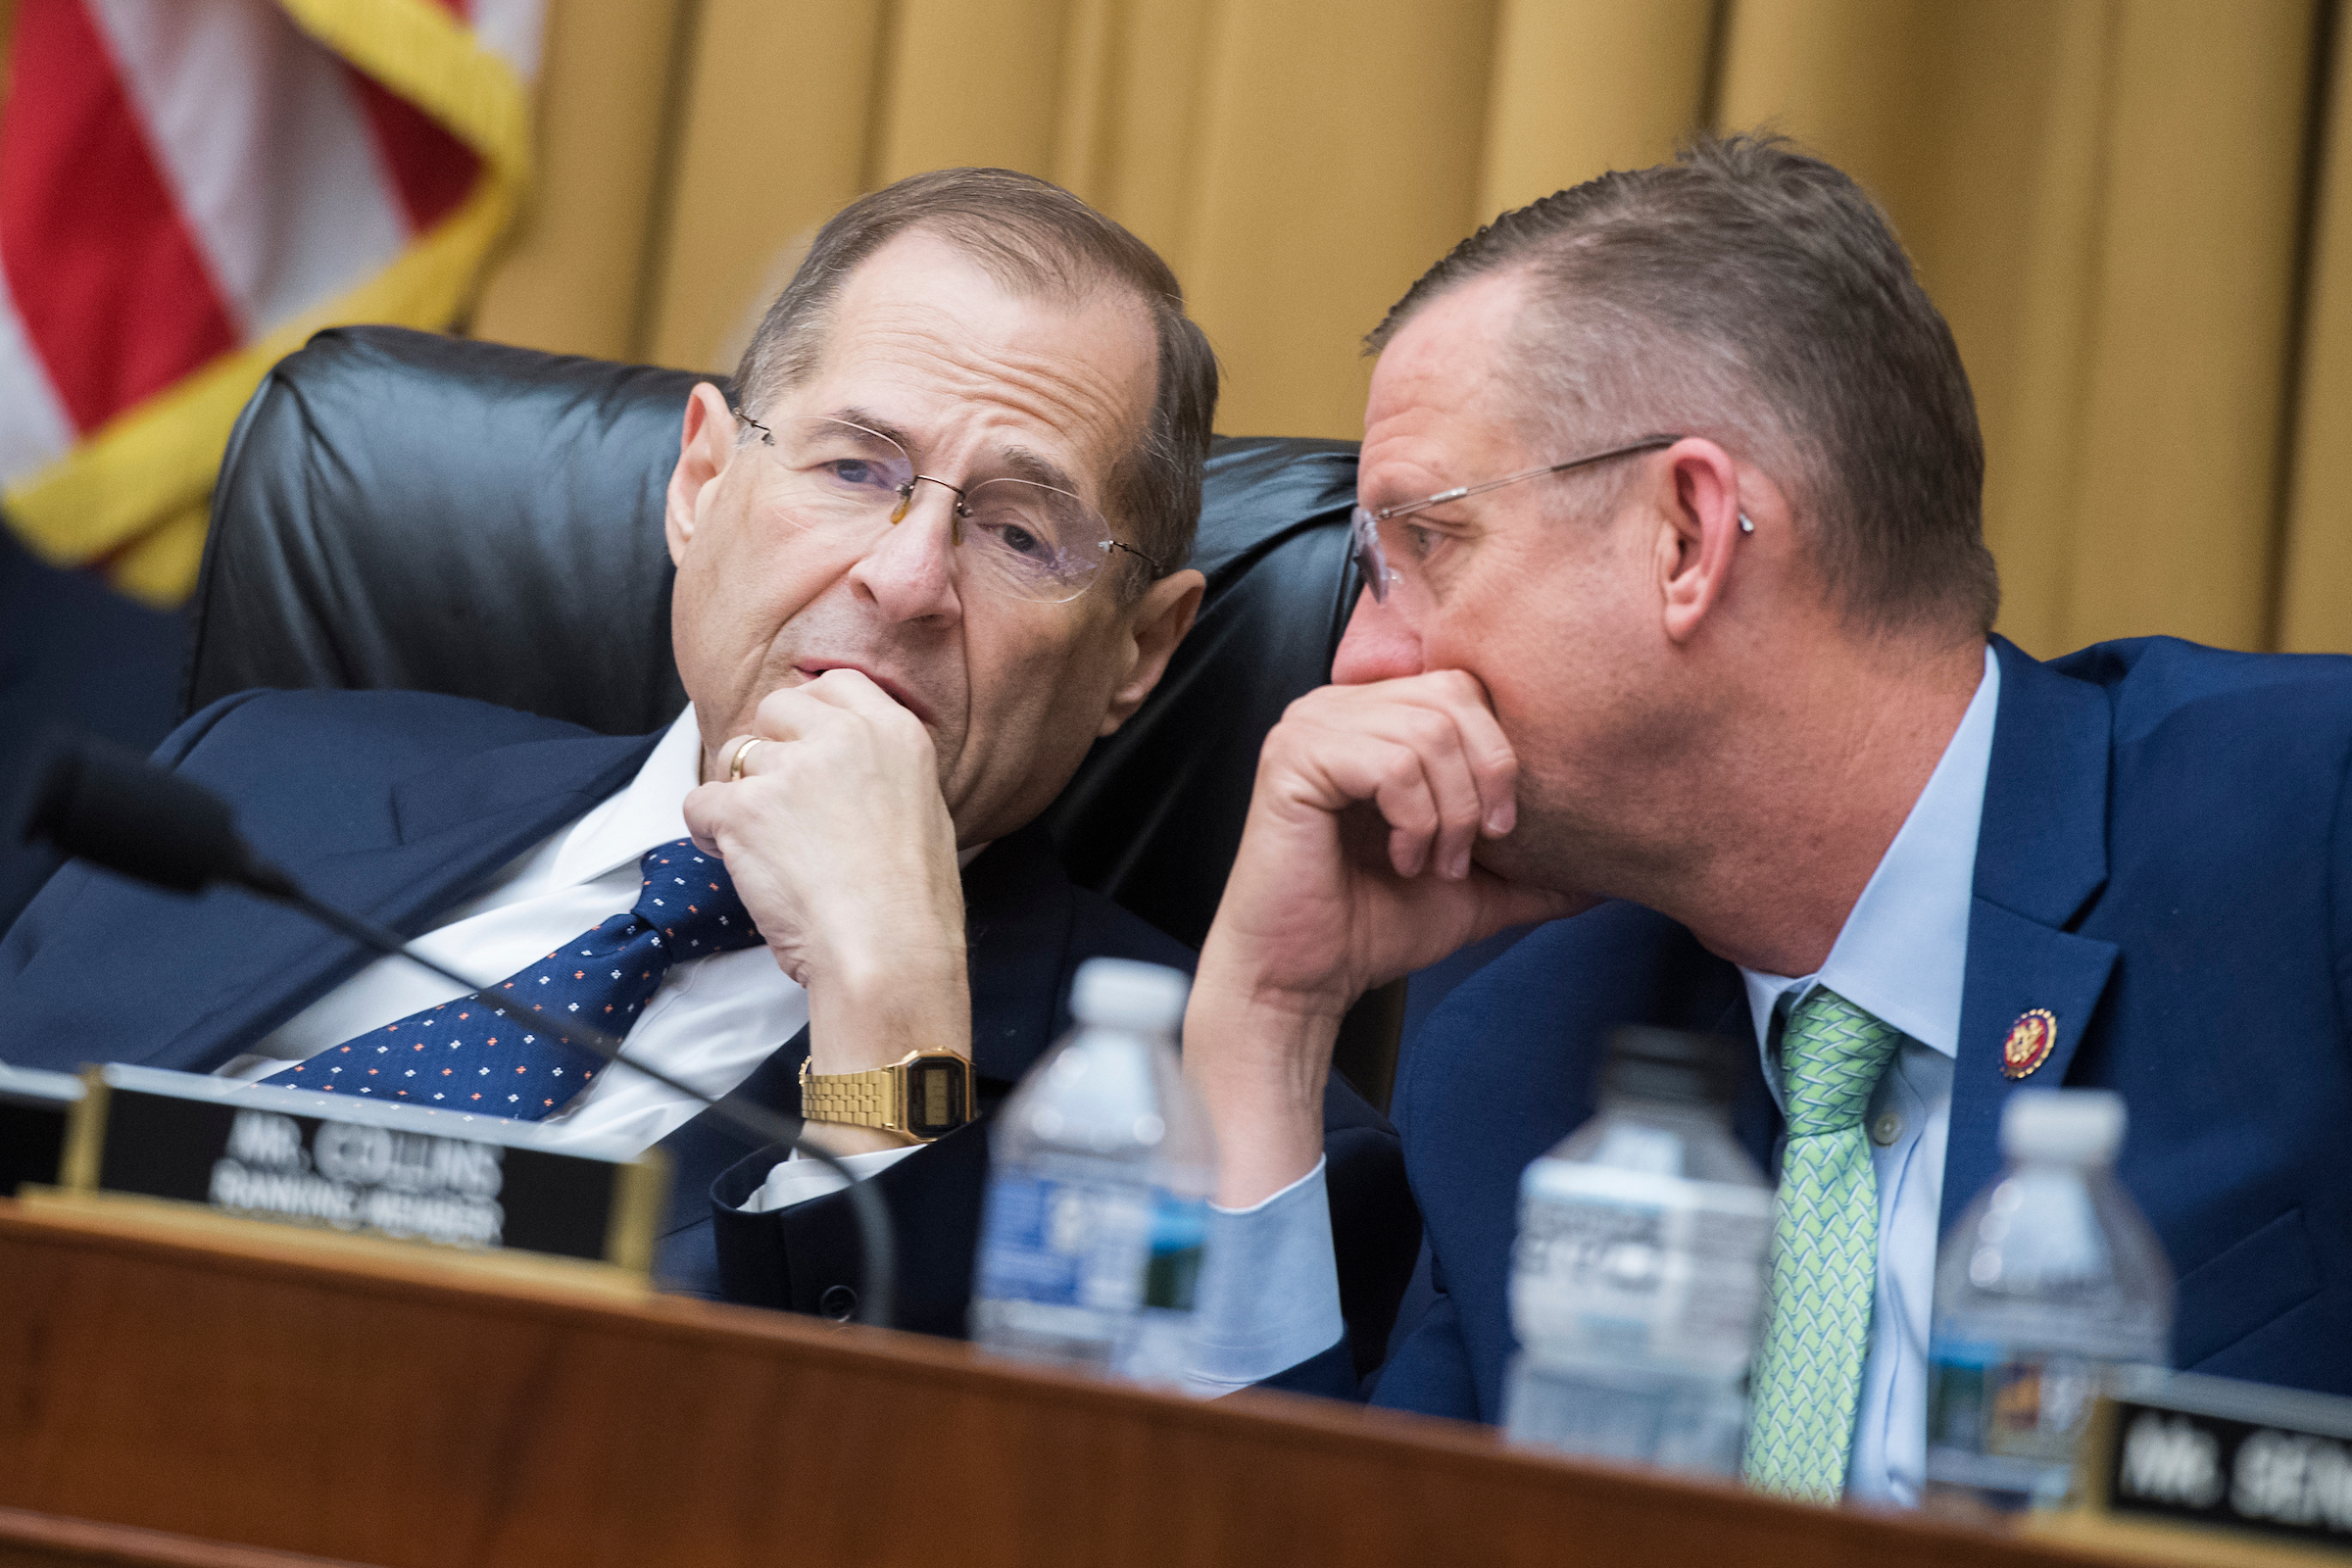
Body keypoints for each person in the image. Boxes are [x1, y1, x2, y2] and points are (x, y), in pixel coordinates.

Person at [0, 169, 1410, 1352]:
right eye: (857, 468)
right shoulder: (254, 784)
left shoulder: (1221, 1139)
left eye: (1019, 532)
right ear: (702, 483)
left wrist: (894, 1022)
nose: (905, 576)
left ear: (1139, 655)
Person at [1182, 134, 2352, 1504]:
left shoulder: (2303, 826)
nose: (1359, 667)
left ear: (1687, 530)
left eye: (1418, 547)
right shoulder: (1522, 1049)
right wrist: (1261, 1023)